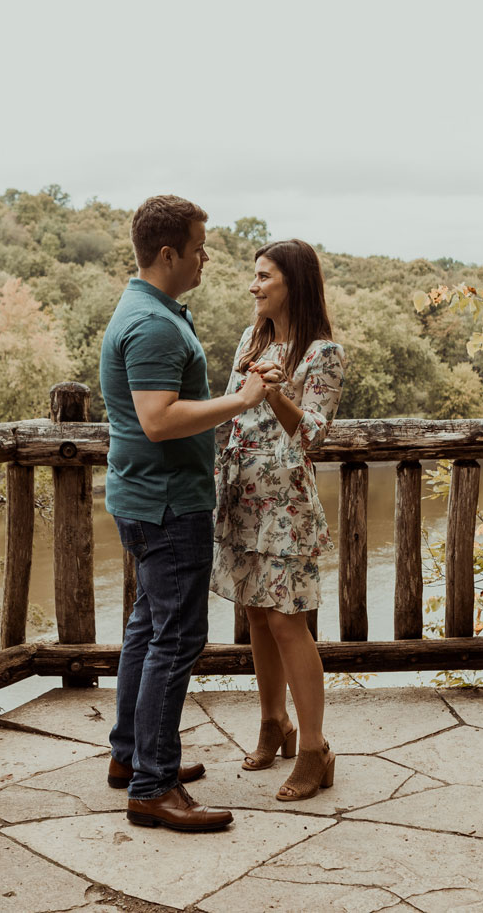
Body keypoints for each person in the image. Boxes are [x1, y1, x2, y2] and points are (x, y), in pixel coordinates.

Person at [99, 194, 270, 832]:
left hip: (146, 496)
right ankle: (151, 786)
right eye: (199, 247)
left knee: (148, 629)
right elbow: (158, 418)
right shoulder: (154, 325)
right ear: (167, 253)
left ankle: (132, 756)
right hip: (168, 505)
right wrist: (241, 398)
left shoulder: (148, 309)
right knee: (176, 639)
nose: (205, 258)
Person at [211, 238, 347, 801]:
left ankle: (314, 748)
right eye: (254, 275)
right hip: (243, 496)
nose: (254, 285)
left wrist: (273, 392)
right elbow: (231, 413)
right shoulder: (251, 338)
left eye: (264, 276)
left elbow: (313, 433)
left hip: (286, 506)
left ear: (292, 282)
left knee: (289, 621)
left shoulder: (323, 353)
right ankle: (275, 723)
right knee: (258, 617)